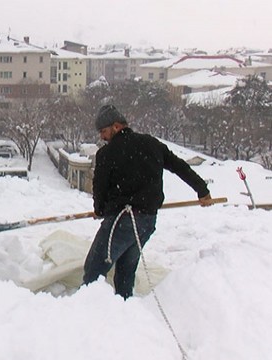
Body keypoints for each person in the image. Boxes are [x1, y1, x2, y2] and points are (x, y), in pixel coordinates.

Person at [83, 104, 213, 299]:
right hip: (146, 221)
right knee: (126, 273)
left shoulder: (107, 154)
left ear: (116, 126)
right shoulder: (152, 144)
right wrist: (202, 190)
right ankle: (125, 309)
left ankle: (86, 314)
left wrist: (100, 209)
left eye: (103, 131)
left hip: (122, 220)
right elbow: (179, 166)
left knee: (94, 270)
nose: (102, 137)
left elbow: (100, 187)